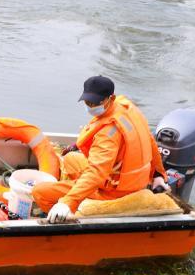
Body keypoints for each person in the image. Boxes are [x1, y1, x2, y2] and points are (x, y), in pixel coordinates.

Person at [32, 75, 167, 224]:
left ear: (111, 98)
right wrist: (158, 175)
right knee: (70, 159)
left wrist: (67, 202)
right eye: (88, 102)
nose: (91, 106)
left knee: (39, 192)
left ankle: (61, 219)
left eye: (97, 102)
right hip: (133, 178)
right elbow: (150, 141)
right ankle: (77, 190)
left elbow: (96, 172)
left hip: (114, 190)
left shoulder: (109, 134)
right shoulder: (127, 108)